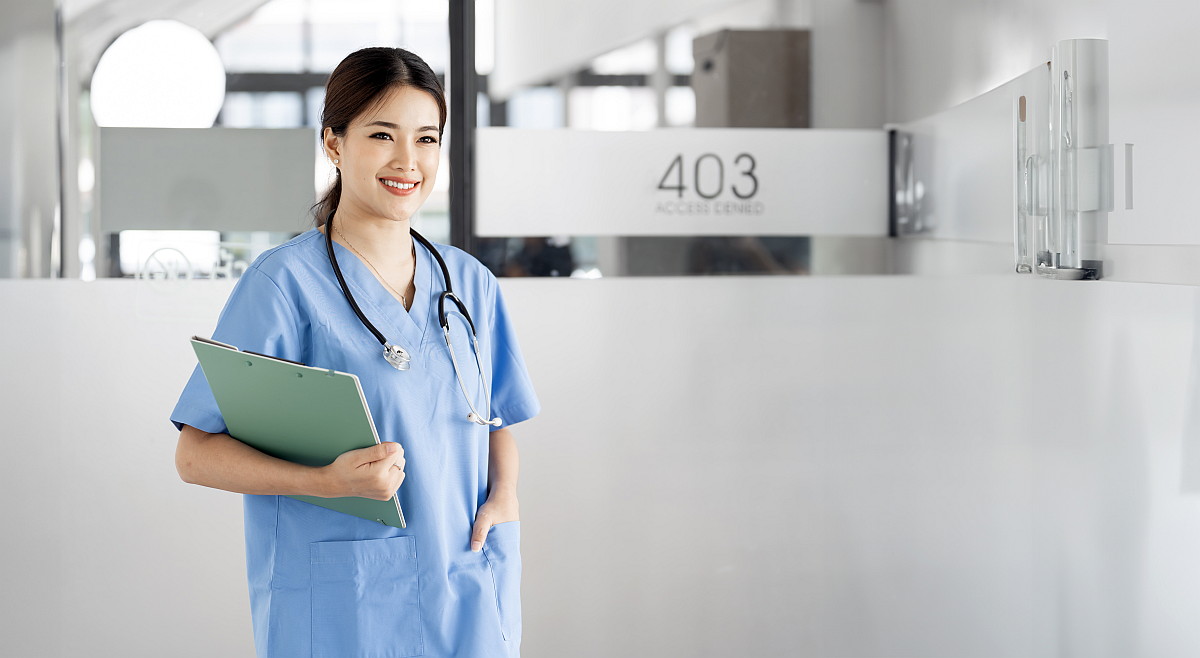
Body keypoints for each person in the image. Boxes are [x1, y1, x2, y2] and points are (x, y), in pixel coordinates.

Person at [171, 47, 539, 658]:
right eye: (381, 135)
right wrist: (322, 480)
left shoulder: (469, 285)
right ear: (334, 145)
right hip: (349, 605)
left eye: (426, 138)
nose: (408, 161)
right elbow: (194, 455)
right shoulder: (283, 286)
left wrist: (506, 496)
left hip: (472, 584)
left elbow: (494, 418)